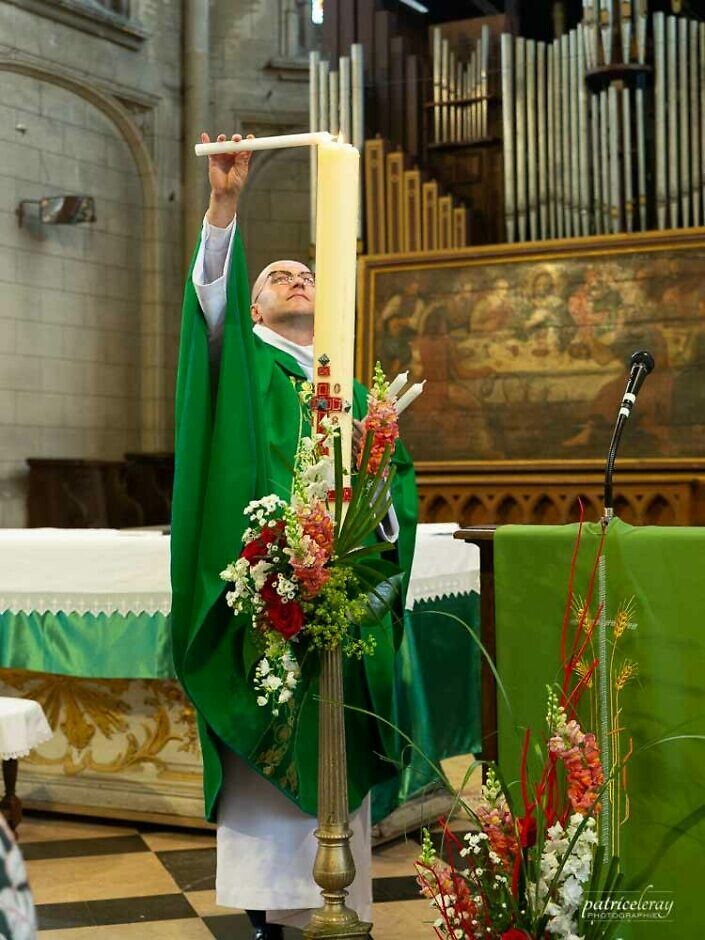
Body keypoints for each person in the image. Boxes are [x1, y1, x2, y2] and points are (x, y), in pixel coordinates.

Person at [170, 133, 418, 940]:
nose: (296, 278)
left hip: (339, 597)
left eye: (308, 272)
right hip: (264, 590)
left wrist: (371, 515)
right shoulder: (238, 362)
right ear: (251, 306)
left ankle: (337, 902)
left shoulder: (348, 384)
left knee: (336, 737)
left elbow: (396, 491)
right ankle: (265, 918)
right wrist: (225, 207)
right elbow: (205, 311)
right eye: (278, 275)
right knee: (267, 742)